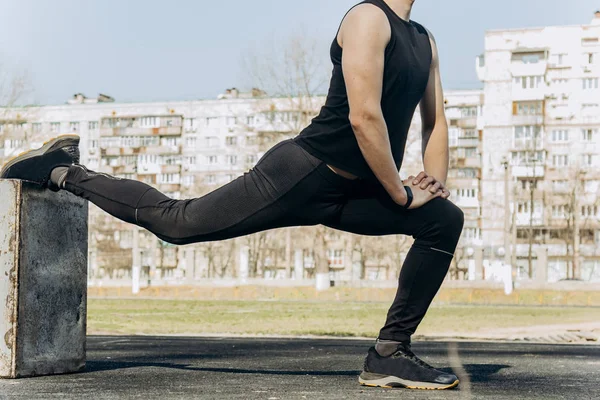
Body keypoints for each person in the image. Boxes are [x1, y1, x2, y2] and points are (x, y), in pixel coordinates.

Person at [1, 0, 463, 390]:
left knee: (442, 219)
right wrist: (402, 195)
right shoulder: (368, 18)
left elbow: (435, 119)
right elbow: (364, 118)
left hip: (358, 187)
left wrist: (432, 186)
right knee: (177, 223)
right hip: (304, 172)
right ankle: (63, 171)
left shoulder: (424, 40)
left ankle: (388, 353)